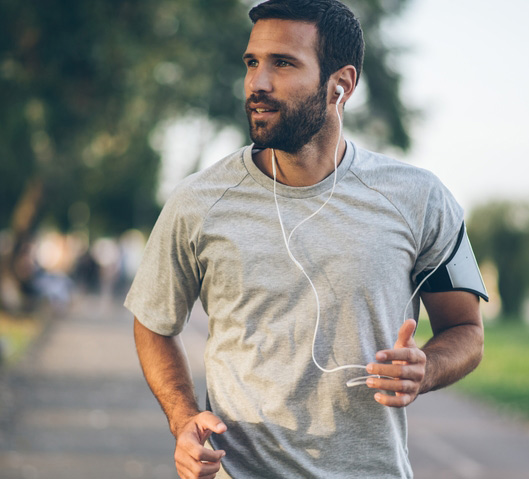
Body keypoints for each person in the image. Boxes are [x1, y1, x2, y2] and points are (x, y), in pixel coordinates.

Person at [126, 1, 488, 477]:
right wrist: (183, 419)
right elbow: (153, 321)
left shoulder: (419, 199)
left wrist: (426, 368)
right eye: (252, 63)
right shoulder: (199, 200)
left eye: (283, 63)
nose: (257, 83)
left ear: (342, 85)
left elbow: (467, 331)